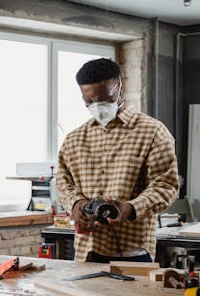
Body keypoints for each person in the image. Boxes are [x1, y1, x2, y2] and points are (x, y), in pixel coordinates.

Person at [56, 57, 179, 263]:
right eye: (89, 101)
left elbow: (166, 186)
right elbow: (63, 182)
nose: (97, 106)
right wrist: (75, 203)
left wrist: (131, 209)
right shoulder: (74, 139)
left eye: (104, 98)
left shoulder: (152, 132)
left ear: (121, 87)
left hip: (134, 252)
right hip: (87, 250)